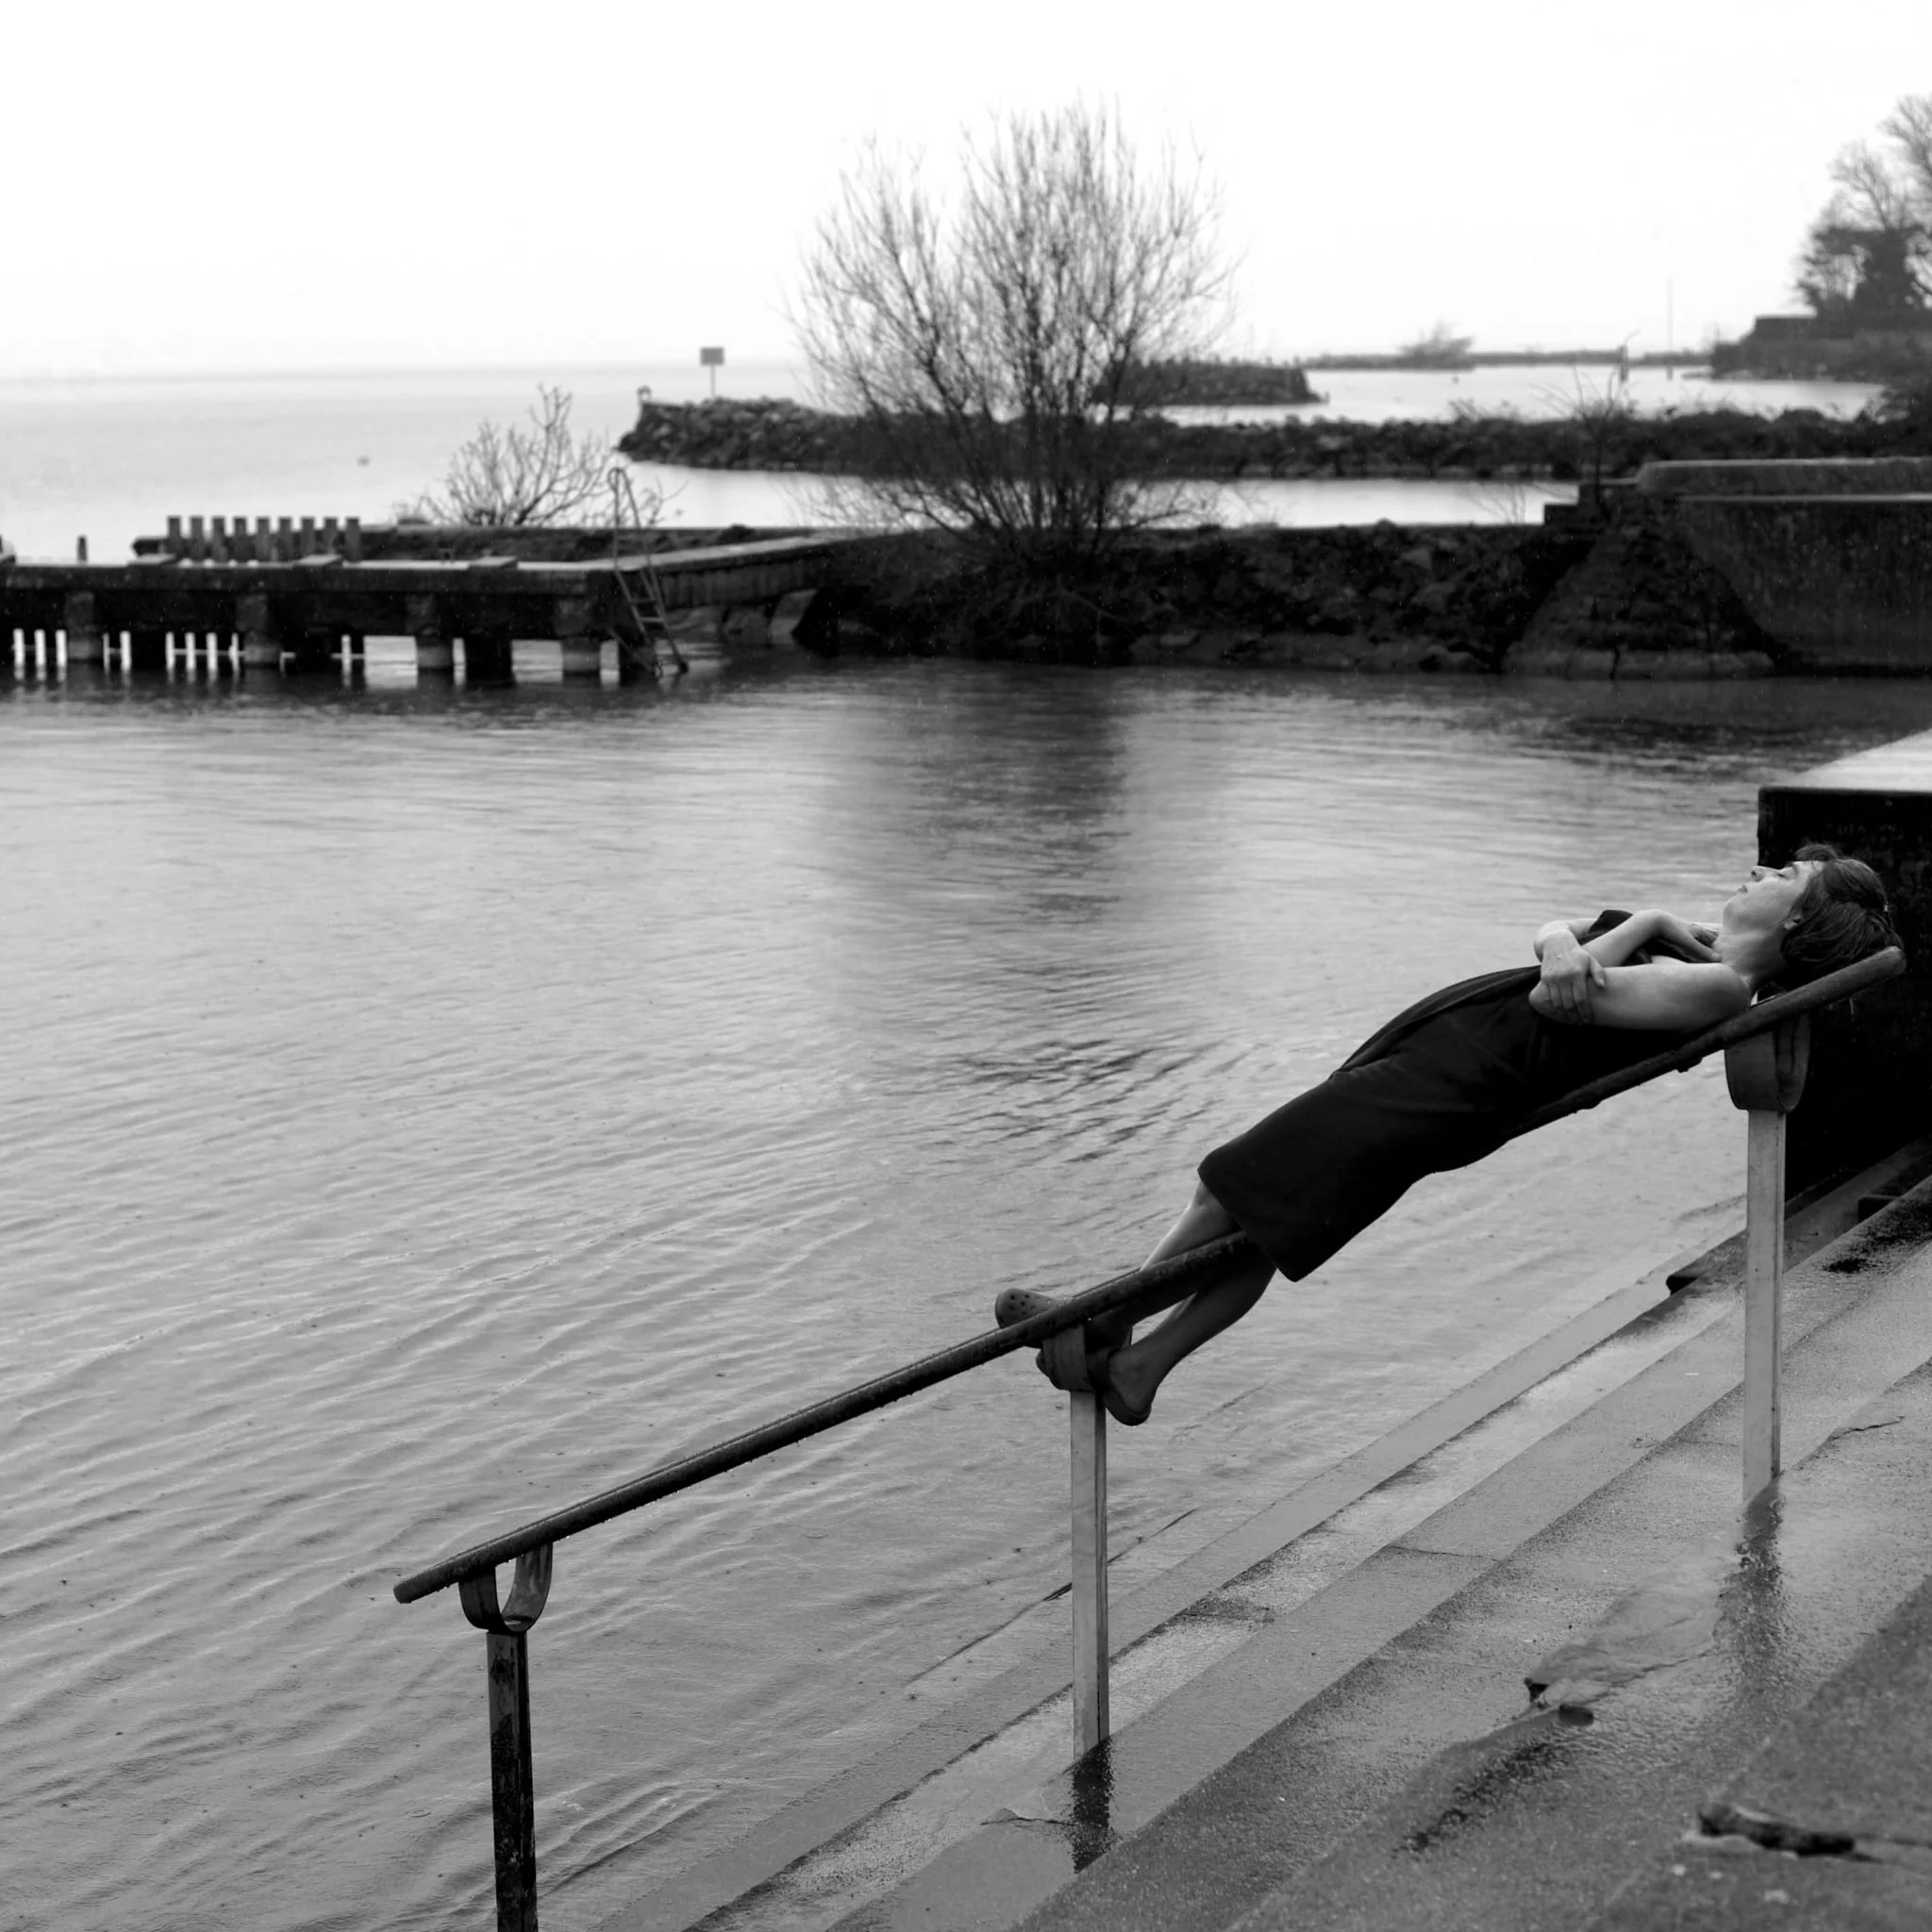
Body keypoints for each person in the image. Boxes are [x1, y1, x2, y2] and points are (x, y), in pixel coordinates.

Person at [998, 845, 1899, 1426]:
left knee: (1234, 1187)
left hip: (1450, 1086)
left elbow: (1558, 989)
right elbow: (1559, 942)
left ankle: (1100, 1319)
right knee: (1267, 1220)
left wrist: (1647, 924)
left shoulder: (1715, 990)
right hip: (1446, 1074)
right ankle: (1141, 1365)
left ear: (1793, 923)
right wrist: (1597, 933)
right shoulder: (1703, 974)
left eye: (1784, 877)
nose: (1762, 872)